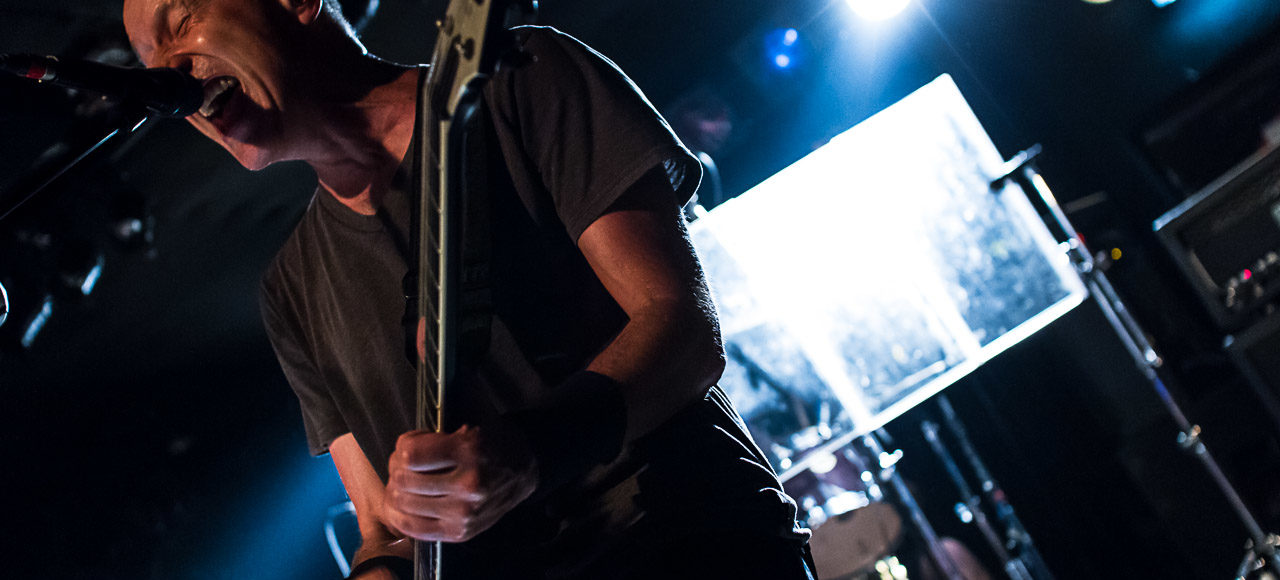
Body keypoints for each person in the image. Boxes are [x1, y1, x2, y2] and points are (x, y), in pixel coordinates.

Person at [121, 0, 814, 577]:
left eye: (180, 19)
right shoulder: (290, 291)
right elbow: (383, 527)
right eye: (149, 62)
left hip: (696, 547)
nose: (168, 74)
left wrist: (534, 451)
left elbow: (684, 331)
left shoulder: (525, 81)